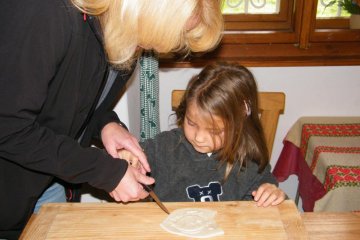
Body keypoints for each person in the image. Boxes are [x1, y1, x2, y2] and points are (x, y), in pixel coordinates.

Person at [0, 0, 224, 238]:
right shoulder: (41, 10)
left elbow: (73, 99)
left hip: (53, 181)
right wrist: (105, 171)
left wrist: (107, 124)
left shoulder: (124, 25)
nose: (149, 47)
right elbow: (8, 126)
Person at [118, 62, 286, 206]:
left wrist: (272, 192)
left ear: (238, 126)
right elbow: (125, 160)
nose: (199, 137)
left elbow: (267, 189)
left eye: (214, 131)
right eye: (191, 123)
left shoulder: (247, 159)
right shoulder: (164, 147)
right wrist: (125, 155)